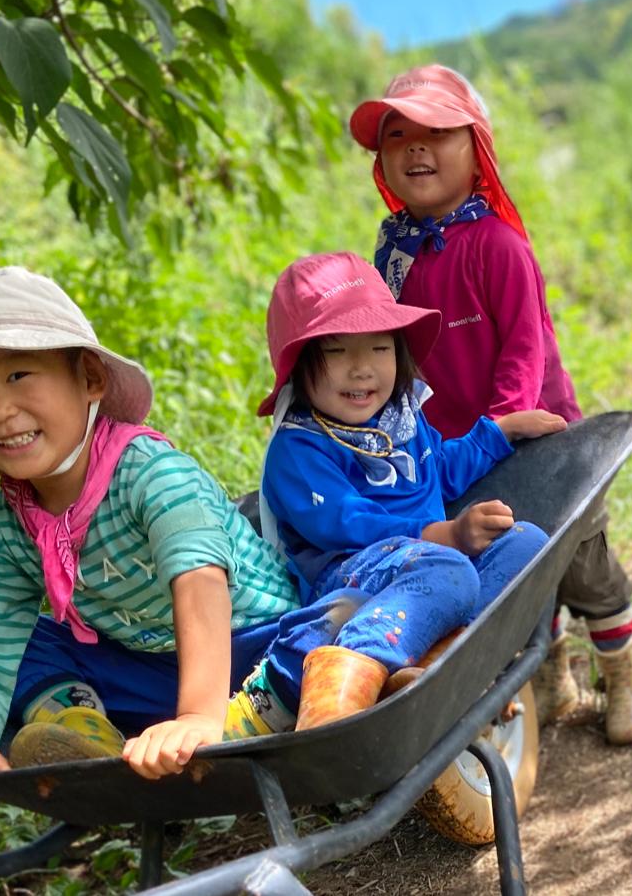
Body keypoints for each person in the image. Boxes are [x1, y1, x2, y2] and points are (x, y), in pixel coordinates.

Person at [0, 267, 299, 800]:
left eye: (18, 376)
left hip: (247, 648)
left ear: (90, 380)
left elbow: (199, 583)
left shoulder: (153, 475)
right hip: (147, 668)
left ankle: (248, 716)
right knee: (14, 641)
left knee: (319, 639)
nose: (0, 411)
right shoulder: (5, 526)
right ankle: (81, 727)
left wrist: (197, 715)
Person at [348, 65, 632, 745]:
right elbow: (394, 356)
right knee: (511, 565)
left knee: (580, 557)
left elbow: (524, 348)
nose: (416, 148)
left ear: (477, 148)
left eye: (437, 132)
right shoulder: (393, 256)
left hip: (535, 439)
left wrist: (503, 427)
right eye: (397, 136)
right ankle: (553, 675)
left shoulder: (497, 245)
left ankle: (624, 674)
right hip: (459, 452)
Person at [222, 251, 564, 736]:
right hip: (359, 580)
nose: (362, 369)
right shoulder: (299, 447)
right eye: (338, 351)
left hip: (433, 569)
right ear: (299, 365)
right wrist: (441, 535)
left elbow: (437, 472)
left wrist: (499, 432)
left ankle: (449, 658)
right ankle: (354, 668)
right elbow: (345, 523)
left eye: (380, 349)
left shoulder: (402, 420)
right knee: (446, 569)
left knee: (527, 542)